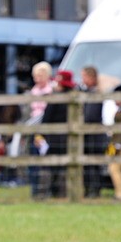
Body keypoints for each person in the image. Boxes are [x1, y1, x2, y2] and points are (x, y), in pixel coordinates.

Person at [37, 70, 76, 198]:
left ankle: (47, 192)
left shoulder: (56, 98)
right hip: (70, 137)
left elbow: (46, 119)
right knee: (66, 166)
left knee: (51, 166)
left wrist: (41, 134)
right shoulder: (74, 97)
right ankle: (64, 192)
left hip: (54, 137)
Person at [26, 61, 54, 197]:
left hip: (46, 129)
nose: (37, 78)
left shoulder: (51, 91)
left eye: (41, 75)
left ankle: (47, 189)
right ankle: (35, 190)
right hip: (34, 128)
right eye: (36, 75)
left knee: (46, 161)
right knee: (33, 160)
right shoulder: (33, 91)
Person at [80, 65, 105, 197]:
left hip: (93, 134)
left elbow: (91, 116)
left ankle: (94, 190)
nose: (82, 79)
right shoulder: (87, 92)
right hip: (89, 134)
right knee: (88, 164)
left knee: (93, 164)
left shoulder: (95, 94)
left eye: (84, 76)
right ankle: (89, 189)